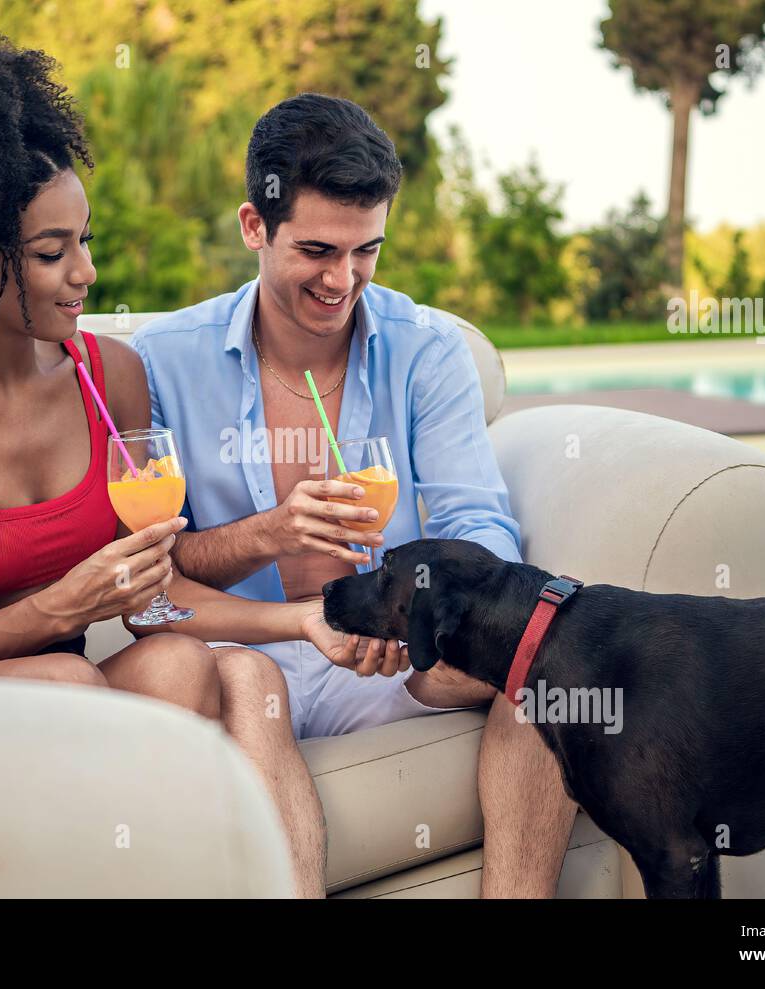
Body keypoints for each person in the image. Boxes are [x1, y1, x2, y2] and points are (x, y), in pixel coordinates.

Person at [0, 23, 360, 897]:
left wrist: (300, 619)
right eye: (51, 252)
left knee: (231, 672)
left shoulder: (109, 376)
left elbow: (157, 597)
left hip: (64, 696)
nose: (87, 271)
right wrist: (63, 604)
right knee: (71, 672)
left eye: (84, 238)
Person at [133, 93, 580, 898]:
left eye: (366, 251)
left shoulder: (428, 350)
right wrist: (267, 533)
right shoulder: (163, 358)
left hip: (394, 655)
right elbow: (154, 578)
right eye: (316, 250)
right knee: (248, 686)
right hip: (247, 652)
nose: (343, 281)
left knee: (545, 664)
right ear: (253, 226)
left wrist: (425, 612)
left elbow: (475, 521)